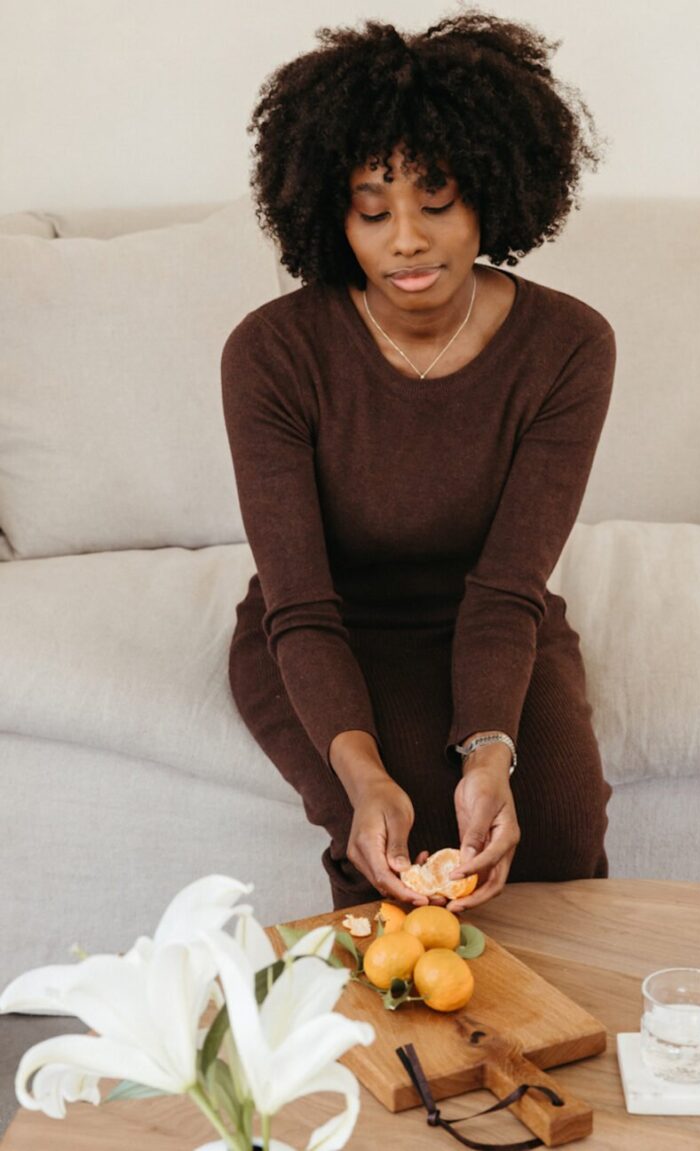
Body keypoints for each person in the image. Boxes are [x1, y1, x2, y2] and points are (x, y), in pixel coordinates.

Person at [221, 11, 616, 915]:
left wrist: (490, 754)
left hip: (489, 615)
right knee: (400, 846)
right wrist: (362, 780)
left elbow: (508, 586)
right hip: (325, 625)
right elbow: (303, 604)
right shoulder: (273, 353)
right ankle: (393, 1050)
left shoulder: (568, 346)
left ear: (490, 194)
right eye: (373, 209)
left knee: (554, 824)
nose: (407, 238)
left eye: (436, 202)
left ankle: (567, 1044)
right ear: (332, 215)